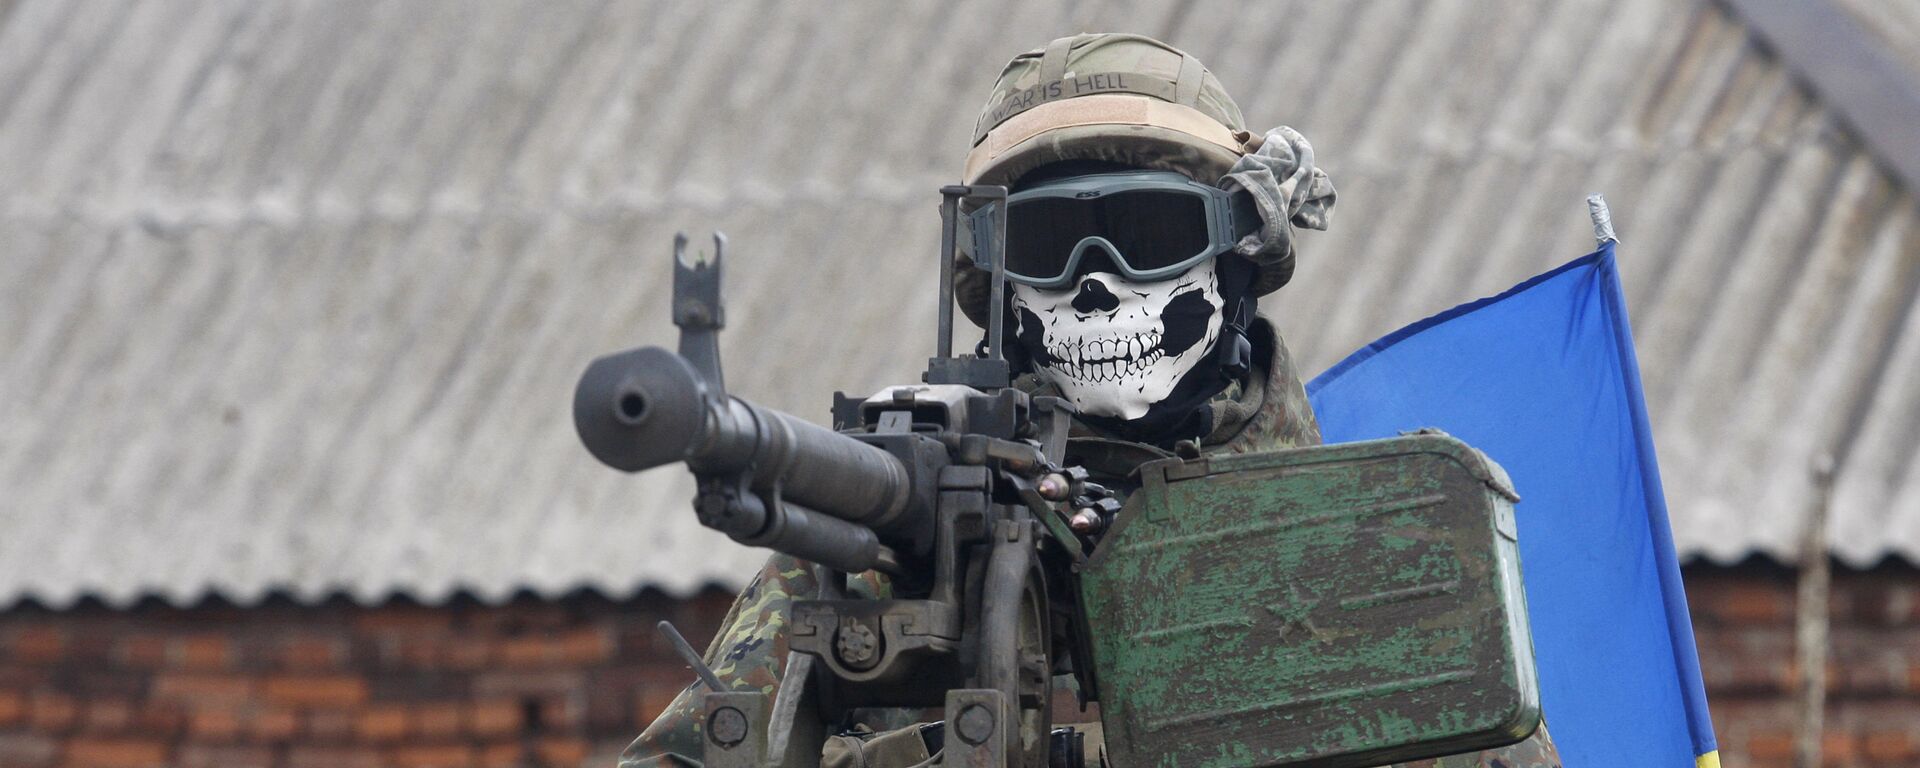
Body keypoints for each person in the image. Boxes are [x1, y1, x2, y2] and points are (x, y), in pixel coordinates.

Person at [621, 33, 1560, 768]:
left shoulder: (1372, 558)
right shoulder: (868, 570)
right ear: (988, 280)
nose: (1094, 283)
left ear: (1239, 255)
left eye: (1147, 228)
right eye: (1048, 243)